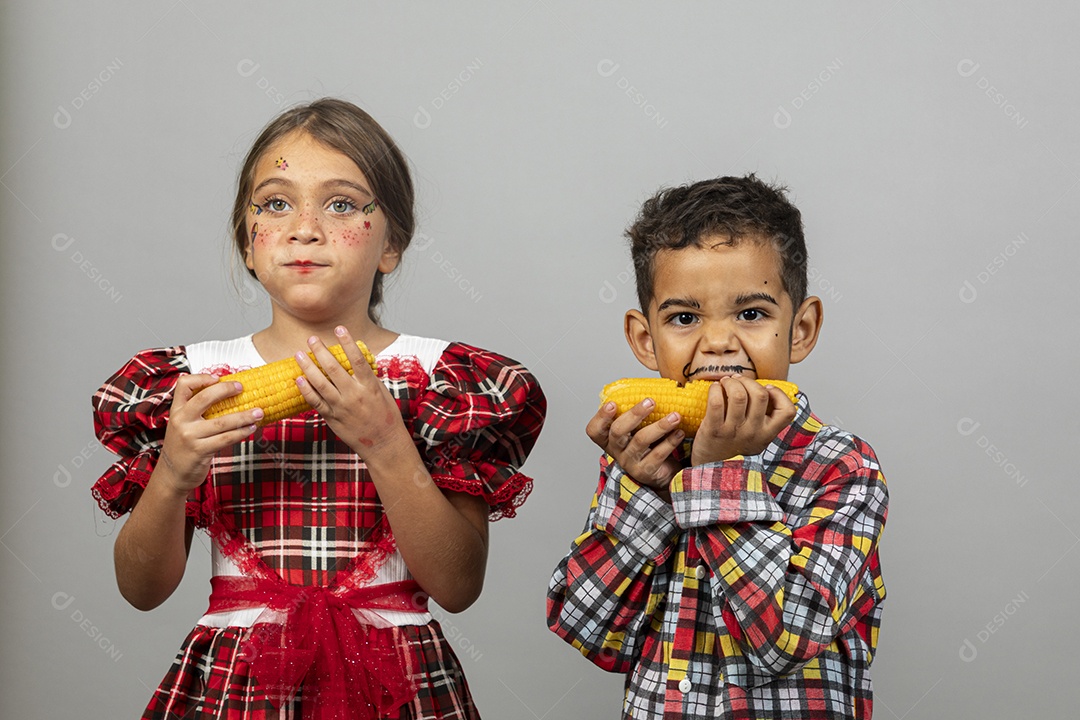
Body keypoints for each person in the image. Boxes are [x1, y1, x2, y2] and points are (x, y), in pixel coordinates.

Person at [92, 98, 546, 720]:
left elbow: (458, 585)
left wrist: (386, 442)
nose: (305, 228)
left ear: (392, 244)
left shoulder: (445, 383)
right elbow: (141, 591)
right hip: (240, 682)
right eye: (276, 204)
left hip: (395, 678)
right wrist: (171, 473)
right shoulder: (190, 383)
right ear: (247, 242)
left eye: (342, 204)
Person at [547, 175, 887, 719]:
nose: (719, 342)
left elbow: (785, 641)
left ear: (801, 329)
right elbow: (591, 630)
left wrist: (717, 474)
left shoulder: (843, 467)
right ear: (644, 339)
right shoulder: (641, 461)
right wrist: (648, 492)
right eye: (684, 318)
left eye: (751, 314)